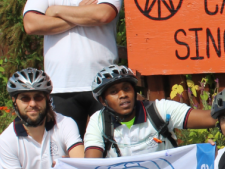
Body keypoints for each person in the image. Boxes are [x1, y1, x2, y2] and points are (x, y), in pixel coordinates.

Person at [22, 0, 123, 136]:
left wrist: (55, 11)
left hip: (104, 83)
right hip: (61, 85)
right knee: (67, 156)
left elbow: (103, 14)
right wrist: (81, 12)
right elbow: (31, 24)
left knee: (107, 150)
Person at [83, 64, 218, 158]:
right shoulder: (99, 121)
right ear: (102, 100)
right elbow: (92, 166)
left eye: (127, 89)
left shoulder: (159, 110)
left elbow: (212, 118)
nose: (122, 95)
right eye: (113, 92)